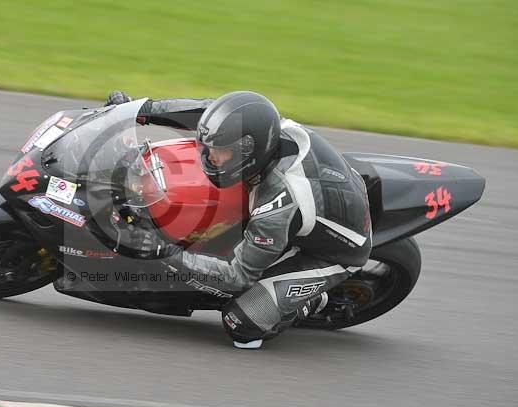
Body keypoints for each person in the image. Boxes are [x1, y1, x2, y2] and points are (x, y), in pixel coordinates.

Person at [106, 90, 372, 349]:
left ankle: (314, 300)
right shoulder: (264, 129)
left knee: (242, 324)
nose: (209, 155)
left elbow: (237, 276)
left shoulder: (277, 204)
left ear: (248, 153)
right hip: (324, 195)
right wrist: (139, 110)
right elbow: (205, 112)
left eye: (221, 151)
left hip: (335, 252)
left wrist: (164, 252)